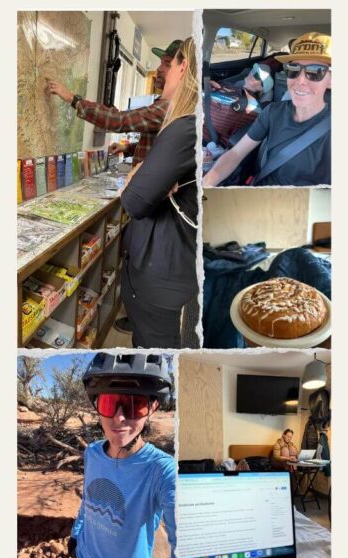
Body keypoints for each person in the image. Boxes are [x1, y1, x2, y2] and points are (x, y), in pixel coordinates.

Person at [117, 36, 198, 348]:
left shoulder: (183, 126)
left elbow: (133, 200)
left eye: (169, 62)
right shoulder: (186, 124)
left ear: (183, 67)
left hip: (161, 278)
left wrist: (140, 171)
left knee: (155, 349)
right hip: (164, 273)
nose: (162, 70)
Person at [71, 353, 176, 558]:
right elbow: (88, 502)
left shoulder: (162, 470)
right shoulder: (92, 453)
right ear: (97, 407)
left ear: (152, 409)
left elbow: (182, 544)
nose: (119, 418)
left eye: (134, 405)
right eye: (110, 404)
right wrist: (76, 535)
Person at [202, 32, 332, 187]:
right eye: (293, 69)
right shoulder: (273, 112)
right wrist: (205, 185)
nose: (300, 80)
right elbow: (236, 153)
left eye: (315, 72)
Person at [45, 39, 182, 165]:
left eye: (167, 64)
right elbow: (153, 146)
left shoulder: (167, 108)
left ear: (181, 71)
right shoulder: (163, 104)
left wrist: (72, 99)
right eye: (161, 62)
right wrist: (127, 147)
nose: (159, 68)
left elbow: (118, 120)